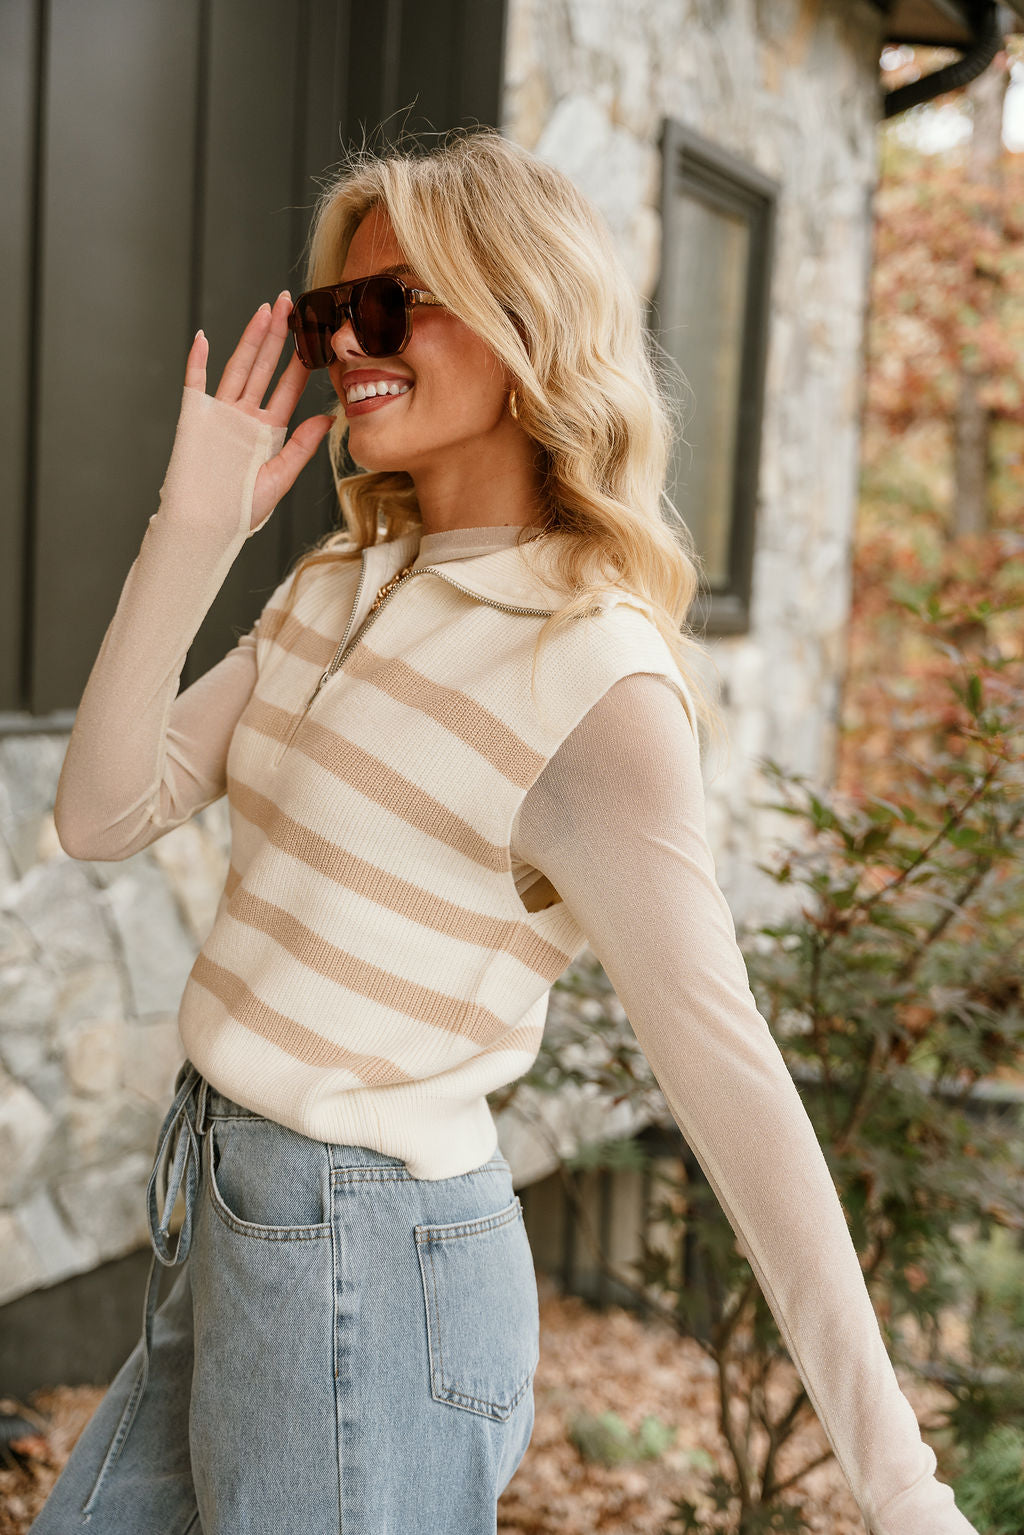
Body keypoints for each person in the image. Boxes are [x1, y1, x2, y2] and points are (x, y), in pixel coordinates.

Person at [34, 127, 976, 1535]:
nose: (349, 343)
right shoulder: (343, 584)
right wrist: (195, 528)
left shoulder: (591, 673)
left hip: (369, 1261)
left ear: (528, 318)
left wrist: (900, 1487)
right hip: (223, 1216)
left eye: (389, 303)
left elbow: (731, 1080)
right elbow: (102, 811)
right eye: (329, 314)